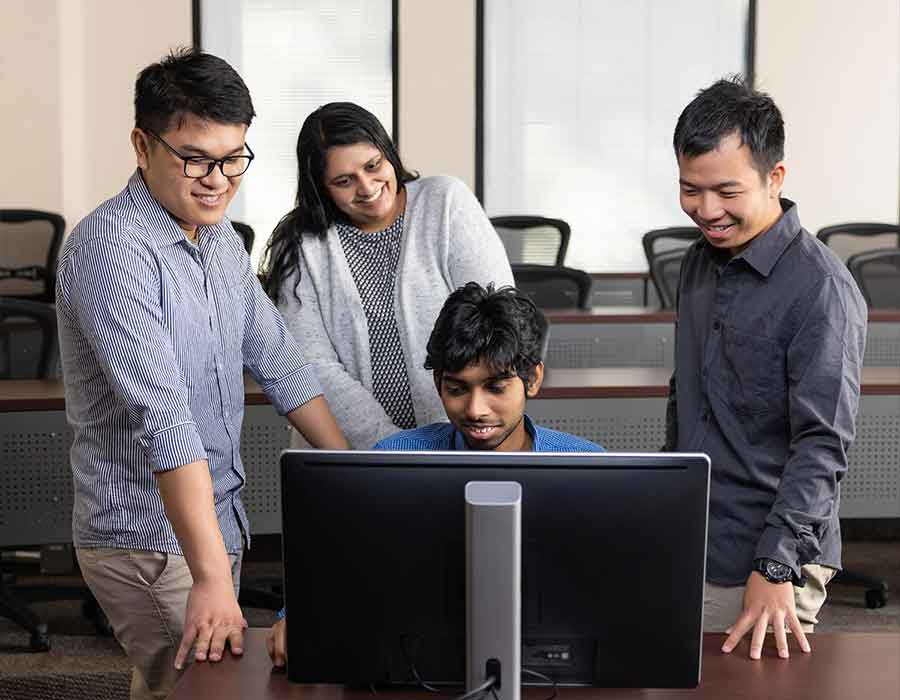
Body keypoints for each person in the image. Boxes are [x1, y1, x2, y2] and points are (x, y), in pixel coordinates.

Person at [55, 49, 348, 700]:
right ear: (142, 144)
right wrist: (212, 579)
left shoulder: (215, 239)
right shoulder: (113, 249)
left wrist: (356, 473)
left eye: (233, 157)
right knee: (210, 692)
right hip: (150, 539)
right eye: (196, 158)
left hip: (214, 524)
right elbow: (167, 423)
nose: (218, 179)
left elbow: (278, 358)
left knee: (179, 687)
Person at [266, 282, 603, 666]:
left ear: (533, 379)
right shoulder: (394, 459)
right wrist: (291, 615)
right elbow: (333, 561)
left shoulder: (587, 463)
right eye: (457, 389)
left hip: (549, 660)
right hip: (414, 657)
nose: (476, 409)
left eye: (496, 387)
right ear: (437, 383)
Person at [665, 77, 867, 661]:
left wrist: (776, 565)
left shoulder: (821, 289)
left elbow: (822, 444)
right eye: (689, 189)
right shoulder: (698, 266)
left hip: (769, 550)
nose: (706, 210)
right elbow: (689, 399)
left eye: (726, 190)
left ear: (775, 177)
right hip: (698, 533)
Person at [261, 103, 514, 450]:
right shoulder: (299, 244)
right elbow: (312, 364)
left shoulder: (445, 203)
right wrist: (390, 449)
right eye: (344, 180)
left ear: (387, 151)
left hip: (460, 442)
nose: (366, 187)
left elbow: (497, 318)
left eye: (372, 165)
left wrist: (443, 442)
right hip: (349, 452)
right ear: (321, 187)